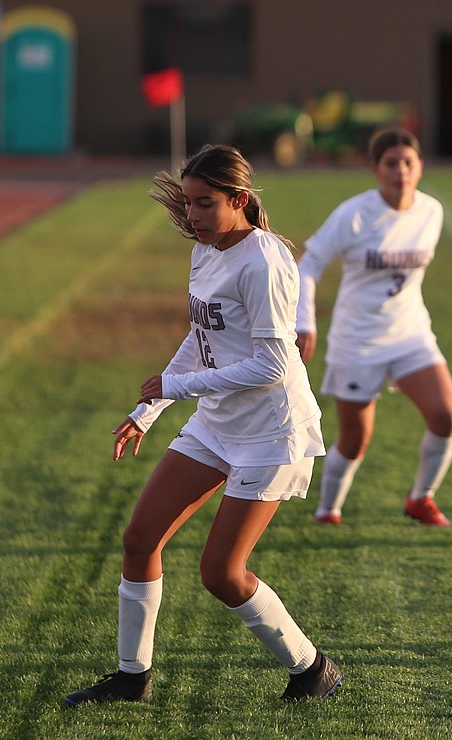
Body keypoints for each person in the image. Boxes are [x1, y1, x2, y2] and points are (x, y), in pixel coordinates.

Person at [65, 144, 342, 706]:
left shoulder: (262, 262)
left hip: (271, 433)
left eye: (204, 204)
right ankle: (130, 678)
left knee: (221, 574)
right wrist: (150, 410)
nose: (192, 216)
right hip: (218, 424)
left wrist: (177, 388)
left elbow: (275, 363)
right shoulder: (207, 250)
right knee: (140, 539)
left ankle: (312, 668)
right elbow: (201, 338)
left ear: (240, 200)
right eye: (188, 204)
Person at [295, 127, 452, 527]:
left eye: (408, 162)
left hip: (410, 334)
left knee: (446, 415)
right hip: (357, 340)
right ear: (375, 169)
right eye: (391, 164)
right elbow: (309, 264)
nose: (400, 171)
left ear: (420, 167)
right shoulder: (354, 214)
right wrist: (305, 322)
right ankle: (327, 510)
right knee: (354, 441)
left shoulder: (431, 212)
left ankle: (421, 498)